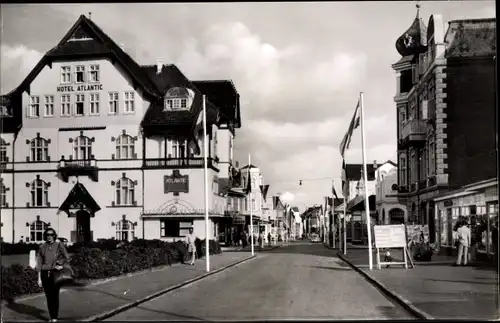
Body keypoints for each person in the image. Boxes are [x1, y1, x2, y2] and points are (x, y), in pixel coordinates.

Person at [36, 228, 70, 322]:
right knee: (48, 296)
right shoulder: (41, 247)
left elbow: (67, 257)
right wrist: (39, 278)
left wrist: (60, 264)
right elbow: (39, 263)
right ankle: (52, 317)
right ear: (45, 236)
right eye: (47, 235)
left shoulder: (59, 245)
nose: (49, 237)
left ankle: (54, 318)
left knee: (55, 296)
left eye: (51, 235)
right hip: (44, 273)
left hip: (55, 274)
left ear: (54, 235)